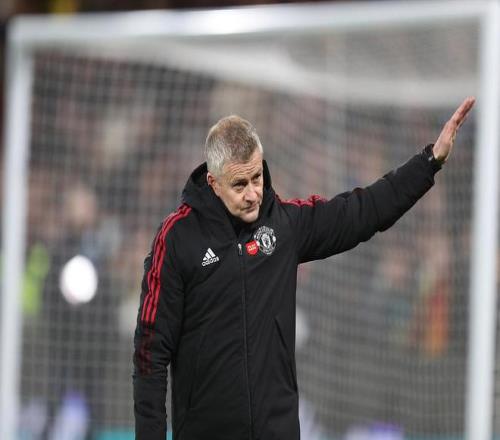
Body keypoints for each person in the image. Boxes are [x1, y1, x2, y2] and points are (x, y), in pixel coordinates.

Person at [133, 97, 475, 440]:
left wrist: (429, 162)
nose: (252, 194)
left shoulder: (283, 224)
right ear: (213, 182)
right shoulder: (177, 238)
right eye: (239, 184)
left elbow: (362, 211)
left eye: (257, 177)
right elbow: (150, 350)